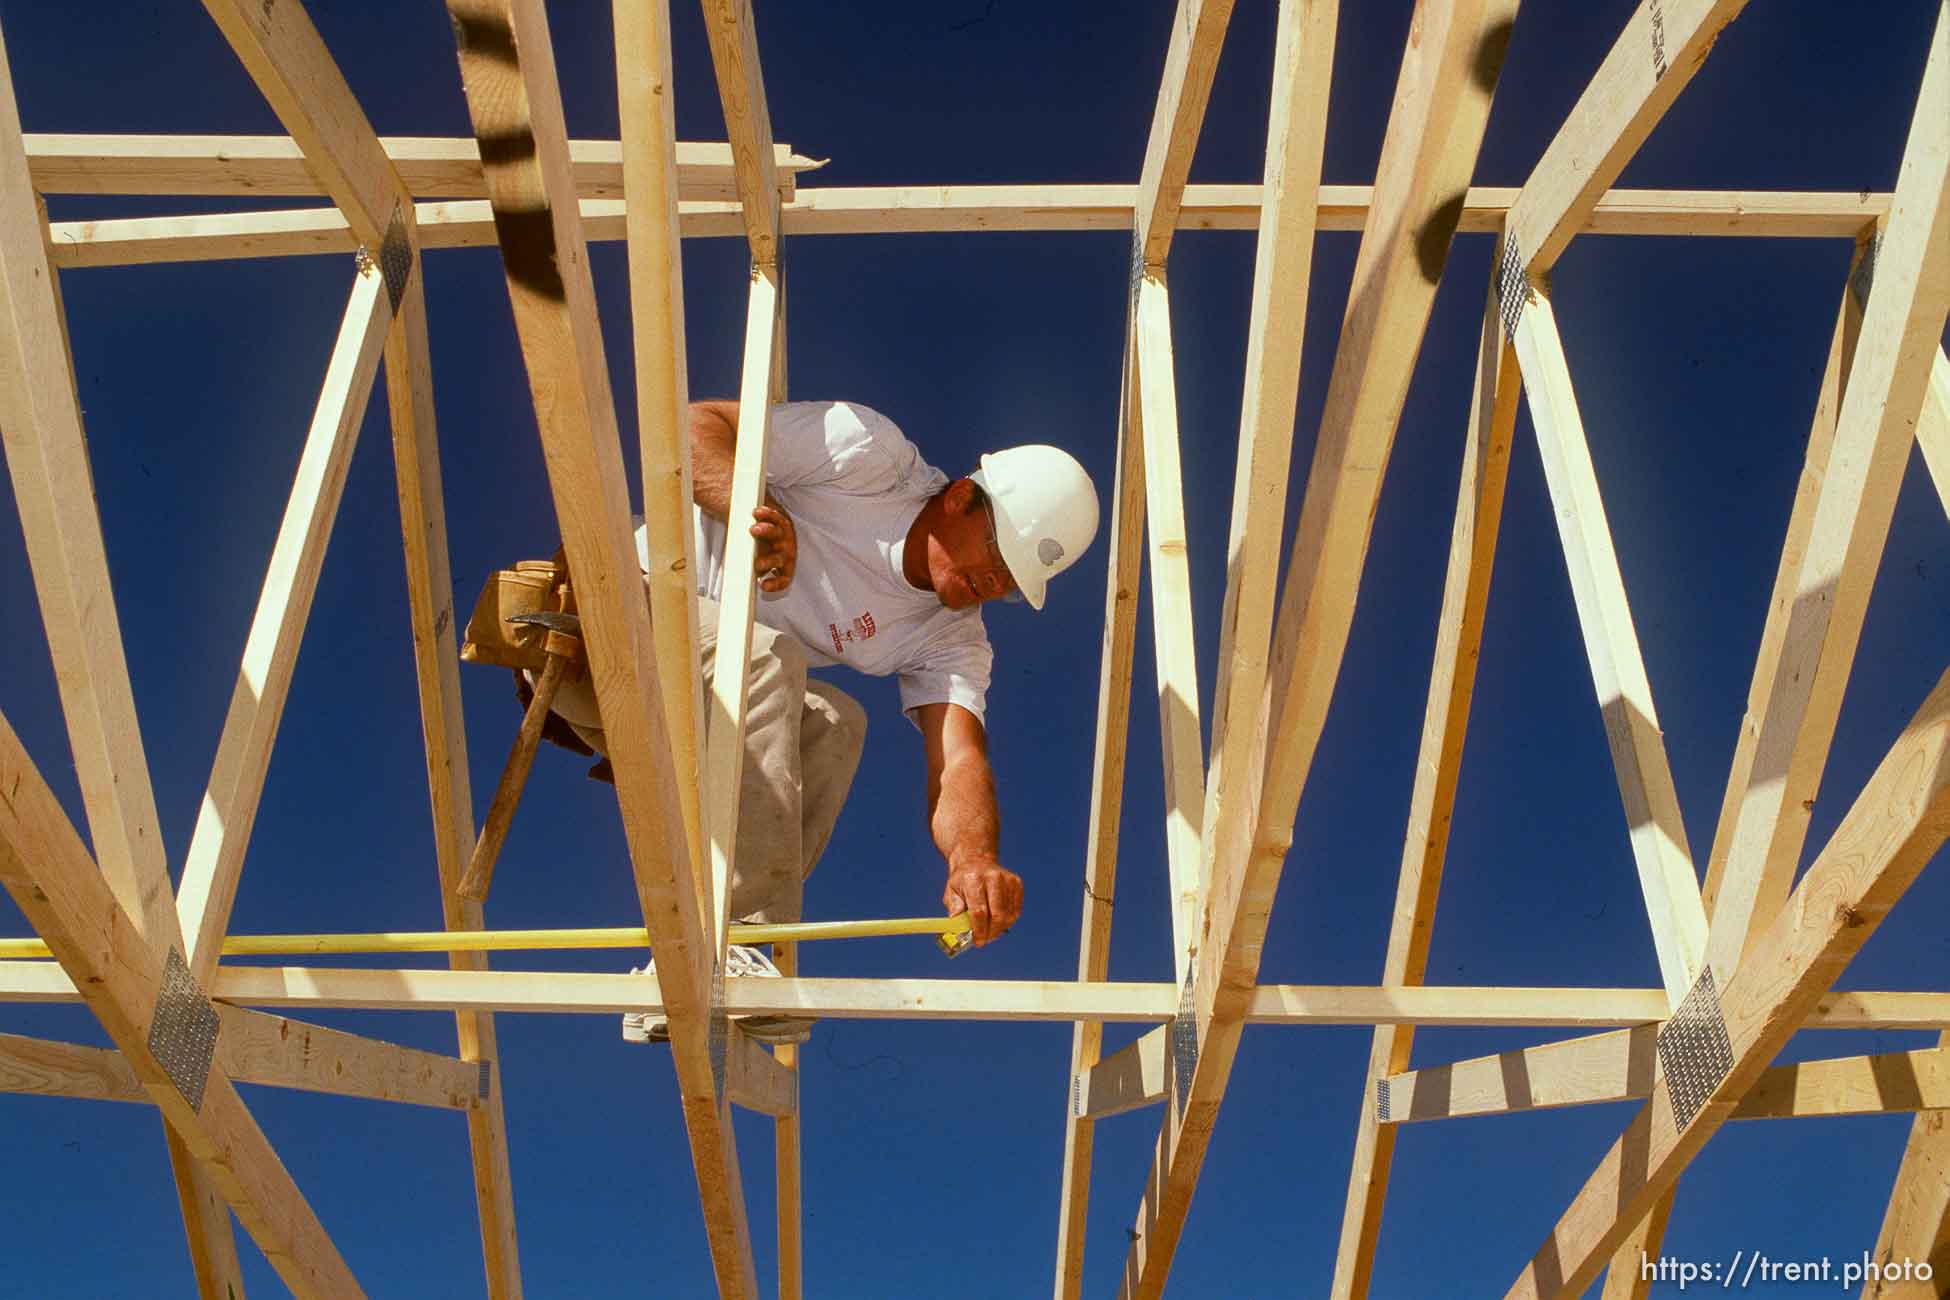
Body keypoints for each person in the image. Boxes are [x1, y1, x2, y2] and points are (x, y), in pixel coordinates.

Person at [542, 399, 1099, 1042]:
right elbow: (688, 425)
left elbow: (959, 761)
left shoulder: (952, 640)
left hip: (681, 705)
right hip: (605, 617)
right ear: (962, 499)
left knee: (838, 724)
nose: (993, 581)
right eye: (997, 555)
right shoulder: (870, 456)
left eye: (1011, 580)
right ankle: (728, 938)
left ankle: (706, 956)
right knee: (772, 659)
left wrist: (973, 859)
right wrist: (747, 507)